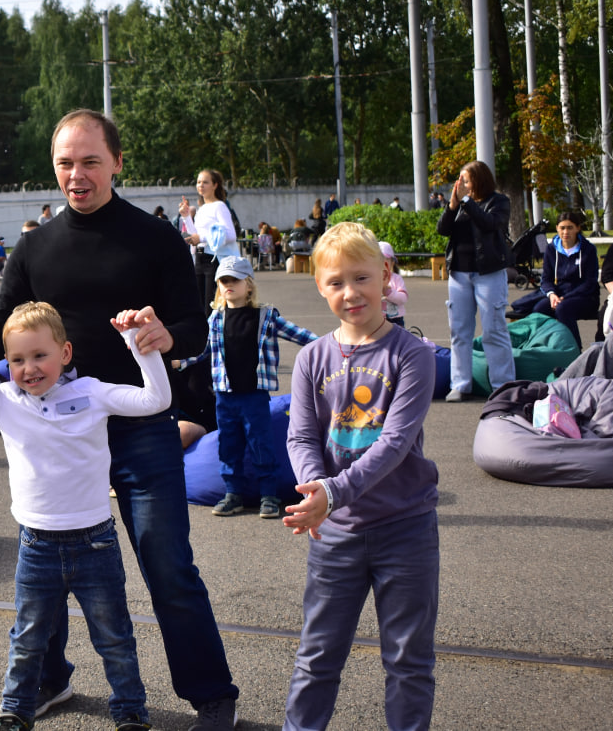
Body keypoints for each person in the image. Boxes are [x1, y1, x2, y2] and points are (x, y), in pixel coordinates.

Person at [0, 109, 239, 731]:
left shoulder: (157, 240)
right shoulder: (35, 245)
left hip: (136, 426)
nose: (77, 175)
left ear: (118, 163)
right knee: (46, 560)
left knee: (167, 562)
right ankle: (48, 681)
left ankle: (210, 692)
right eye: (65, 163)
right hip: (57, 434)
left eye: (90, 161)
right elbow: (1, 333)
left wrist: (163, 335)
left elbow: (191, 327)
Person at [0, 300, 167, 731]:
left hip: (96, 542)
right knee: (27, 639)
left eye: (40, 355)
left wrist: (139, 345)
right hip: (36, 545)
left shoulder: (94, 392)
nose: (29, 368)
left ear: (65, 353)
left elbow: (157, 399)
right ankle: (15, 710)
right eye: (17, 359)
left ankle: (131, 711)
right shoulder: (5, 399)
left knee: (114, 637)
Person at [282, 222, 438, 731]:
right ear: (320, 286)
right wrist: (314, 489)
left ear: (386, 275)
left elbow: (394, 444)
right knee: (317, 658)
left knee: (408, 660)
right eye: (336, 282)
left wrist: (331, 492)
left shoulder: (412, 354)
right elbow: (301, 439)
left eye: (362, 277)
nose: (351, 293)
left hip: (405, 528)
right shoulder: (311, 358)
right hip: (336, 534)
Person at [205, 256, 316, 520]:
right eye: (224, 281)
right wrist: (177, 361)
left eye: (235, 280)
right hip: (225, 395)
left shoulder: (266, 316)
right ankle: (233, 495)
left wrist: (331, 346)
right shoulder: (215, 319)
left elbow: (299, 334)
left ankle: (269, 495)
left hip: (254, 396)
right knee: (228, 446)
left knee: (261, 444)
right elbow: (202, 349)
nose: (229, 285)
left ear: (249, 285)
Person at [436, 160, 515, 401]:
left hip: (488, 273)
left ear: (479, 180)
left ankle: (503, 385)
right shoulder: (459, 205)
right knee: (459, 331)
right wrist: (452, 205)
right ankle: (460, 384)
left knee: (494, 329)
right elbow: (443, 230)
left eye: (466, 181)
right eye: (459, 181)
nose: (461, 185)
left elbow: (490, 224)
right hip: (459, 274)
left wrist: (467, 202)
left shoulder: (498, 201)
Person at [533, 210, 600, 348]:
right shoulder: (551, 250)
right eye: (562, 228)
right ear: (557, 228)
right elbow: (546, 279)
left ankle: (574, 350)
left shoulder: (588, 249)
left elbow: (590, 282)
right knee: (539, 309)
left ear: (578, 228)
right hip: (559, 295)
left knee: (563, 309)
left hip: (585, 297)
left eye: (570, 227)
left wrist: (566, 297)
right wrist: (552, 295)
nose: (565, 232)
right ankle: (544, 349)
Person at [179, 169, 238, 319]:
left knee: (211, 307)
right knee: (198, 305)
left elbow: (231, 234)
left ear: (215, 185)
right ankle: (205, 340)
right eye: (199, 182)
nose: (201, 185)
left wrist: (202, 238)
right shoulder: (202, 208)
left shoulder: (219, 206)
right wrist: (186, 217)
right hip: (199, 258)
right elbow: (195, 234)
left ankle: (213, 340)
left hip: (214, 260)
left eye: (205, 182)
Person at [378, 241, 409, 328]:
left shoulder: (396, 279)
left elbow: (403, 298)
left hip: (396, 318)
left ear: (392, 262)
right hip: (378, 319)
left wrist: (389, 292)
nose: (383, 264)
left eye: (386, 260)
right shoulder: (373, 279)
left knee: (398, 340)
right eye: (379, 260)